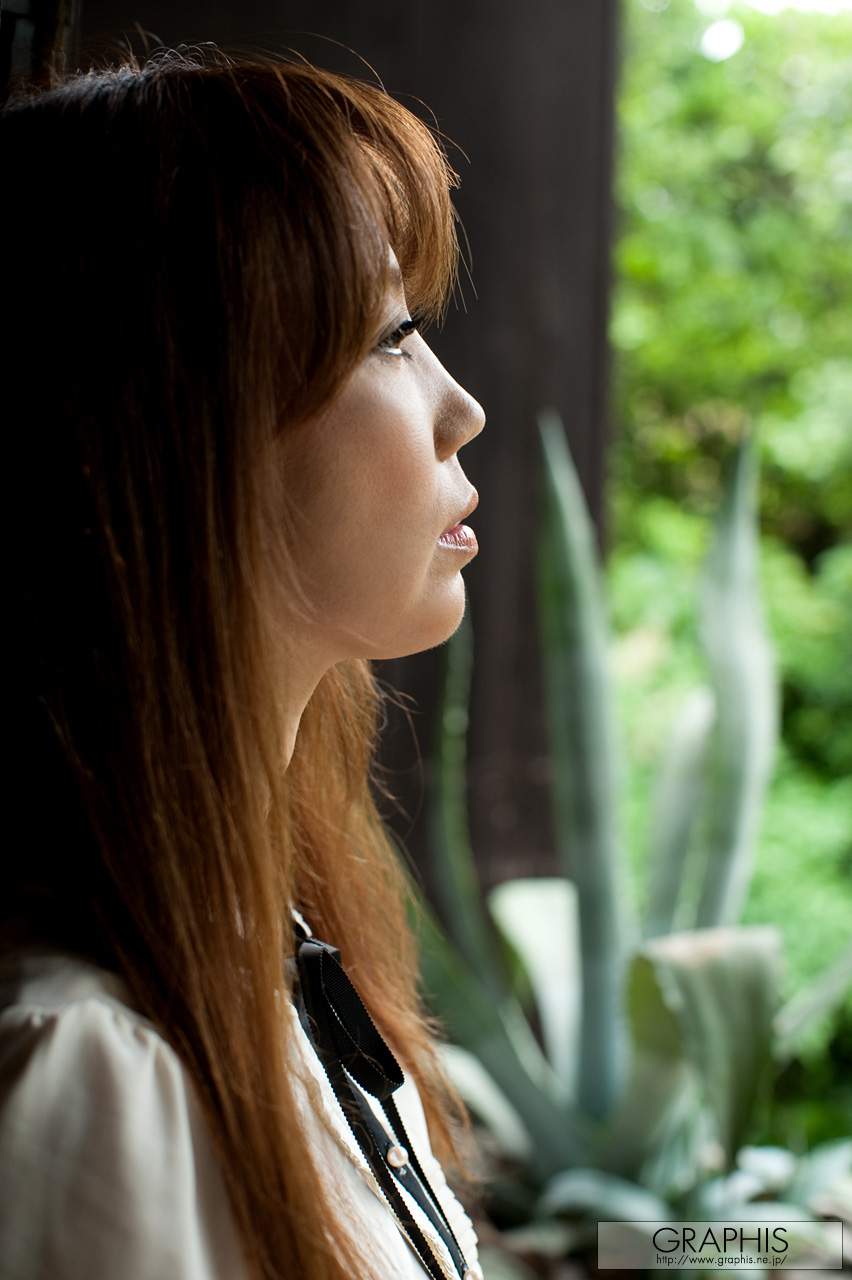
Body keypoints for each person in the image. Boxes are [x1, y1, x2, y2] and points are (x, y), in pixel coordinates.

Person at [0, 44, 487, 1280]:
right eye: (391, 336)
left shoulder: (269, 938)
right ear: (183, 432)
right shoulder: (84, 1075)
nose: (459, 408)